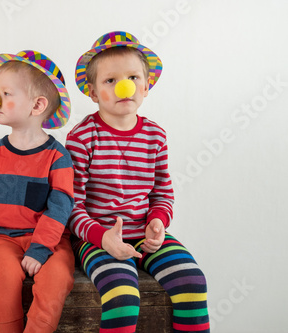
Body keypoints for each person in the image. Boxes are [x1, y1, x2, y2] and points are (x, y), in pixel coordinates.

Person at [66, 31, 210, 332]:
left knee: (193, 282)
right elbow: (70, 204)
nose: (124, 86)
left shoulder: (155, 136)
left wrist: (158, 220)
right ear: (92, 92)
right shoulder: (81, 138)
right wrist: (101, 237)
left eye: (133, 77)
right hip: (98, 240)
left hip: (145, 236)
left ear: (146, 86)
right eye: (110, 80)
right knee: (123, 297)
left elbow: (162, 192)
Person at [0, 50, 75, 333]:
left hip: (50, 243)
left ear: (37, 105)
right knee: (1, 282)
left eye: (5, 93)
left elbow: (60, 206)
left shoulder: (57, 157)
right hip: (2, 240)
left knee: (57, 279)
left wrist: (40, 249)